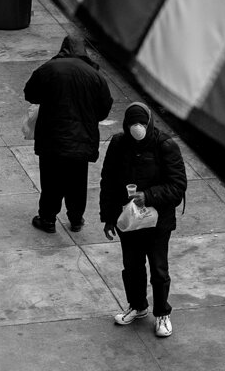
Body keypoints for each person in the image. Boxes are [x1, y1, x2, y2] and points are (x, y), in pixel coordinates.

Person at [99, 103, 186, 339]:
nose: (136, 129)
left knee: (158, 269)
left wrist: (148, 196)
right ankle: (137, 306)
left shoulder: (165, 146)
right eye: (132, 124)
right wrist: (108, 218)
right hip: (129, 221)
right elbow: (107, 181)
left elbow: (177, 187)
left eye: (140, 124)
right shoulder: (118, 144)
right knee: (132, 267)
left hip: (158, 222)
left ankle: (162, 313)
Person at [23, 34, 112, 234]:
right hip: (81, 140)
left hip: (52, 139)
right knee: (77, 182)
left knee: (50, 180)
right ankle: (76, 219)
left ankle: (47, 219)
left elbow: (30, 94)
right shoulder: (95, 75)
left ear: (63, 49)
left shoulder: (49, 68)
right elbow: (105, 108)